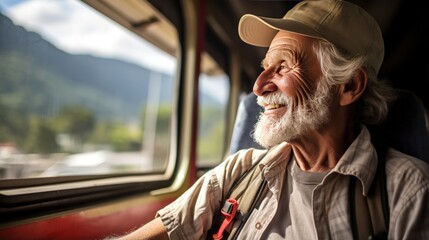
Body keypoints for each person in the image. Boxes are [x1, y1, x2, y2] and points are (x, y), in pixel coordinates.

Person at [117, 0, 429, 239]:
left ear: (348, 86)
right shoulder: (238, 172)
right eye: (266, 65)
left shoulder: (409, 191)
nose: (257, 87)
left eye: (283, 67)